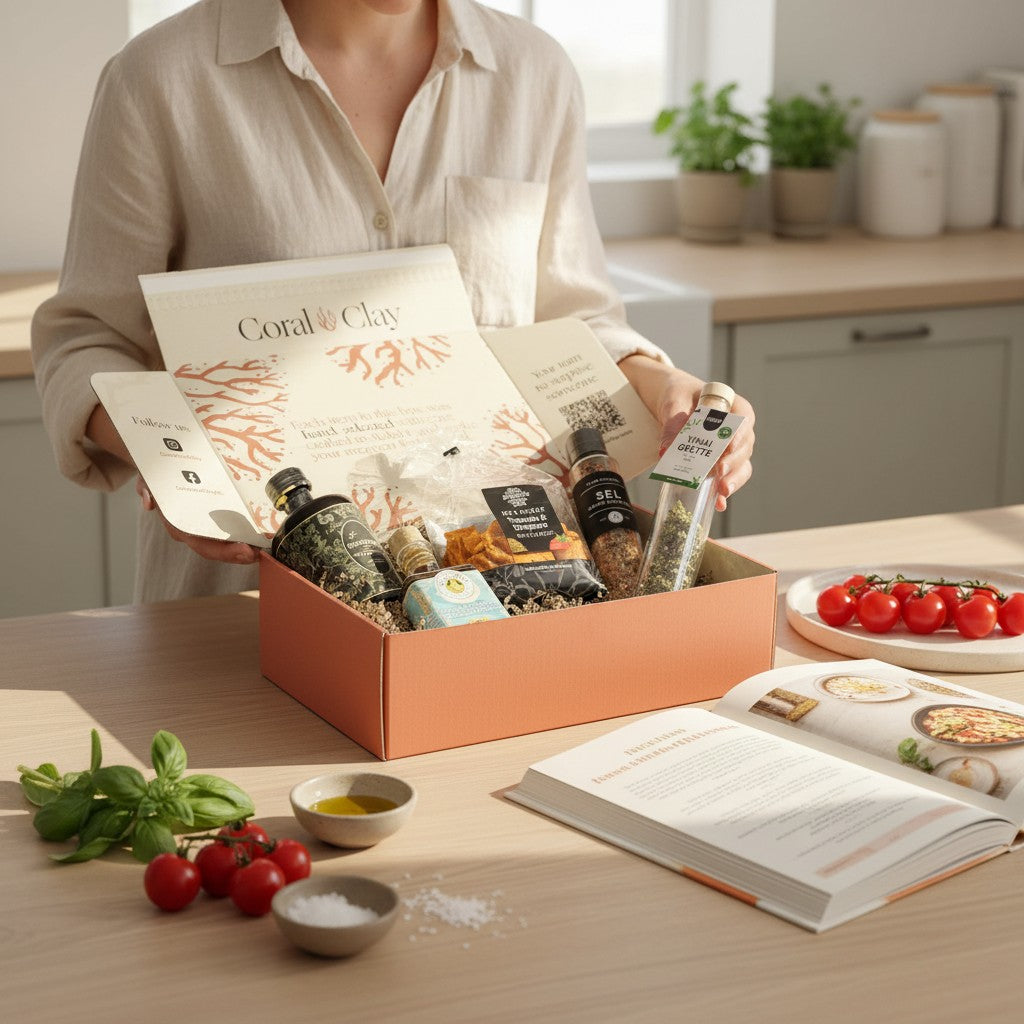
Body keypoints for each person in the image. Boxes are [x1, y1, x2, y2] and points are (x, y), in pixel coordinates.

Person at [32, 0, 755, 603]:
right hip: (250, 607)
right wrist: (175, 462)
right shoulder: (159, 78)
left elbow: (570, 321)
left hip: (516, 588)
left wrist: (669, 390)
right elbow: (87, 340)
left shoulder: (535, 73)